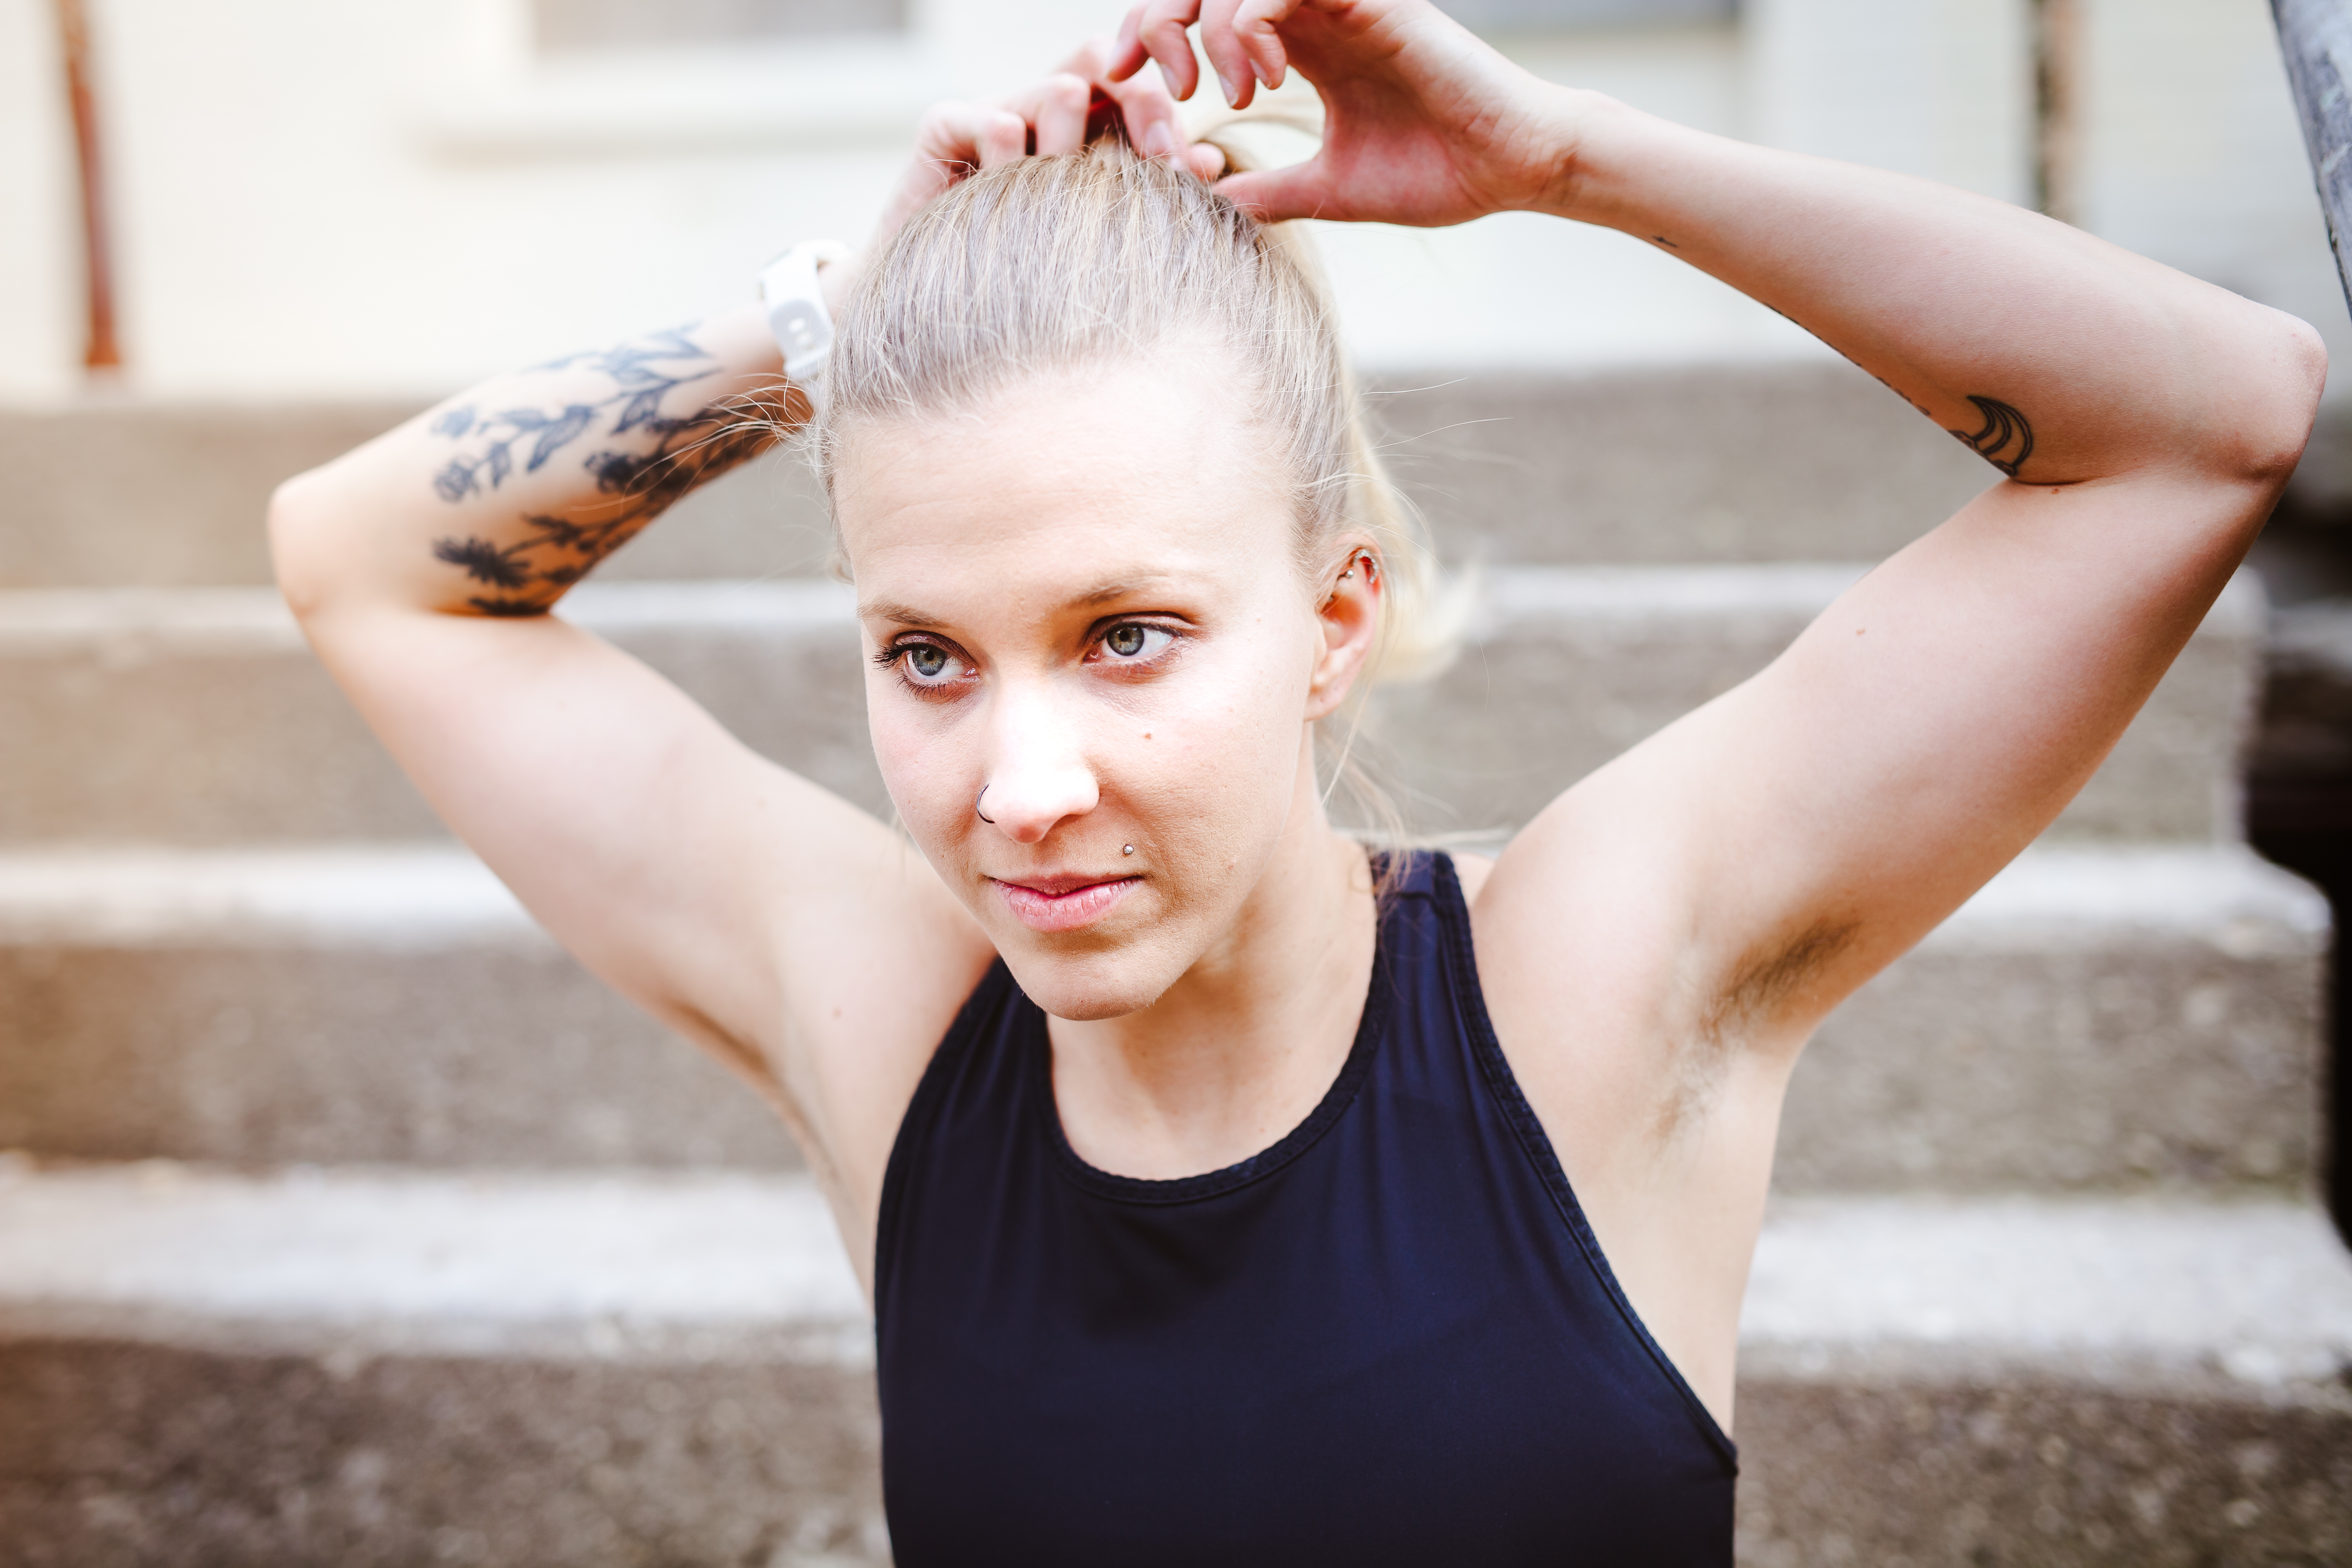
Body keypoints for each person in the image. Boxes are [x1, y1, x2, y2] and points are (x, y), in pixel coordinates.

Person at [268, 2, 2324, 1560]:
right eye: (927, 658)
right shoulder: (895, 1028)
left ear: (1334, 619)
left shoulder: (1580, 989)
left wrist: (1566, 158)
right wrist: (834, 319)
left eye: (1128, 635)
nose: (1022, 787)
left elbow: (2209, 417)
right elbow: (363, 565)